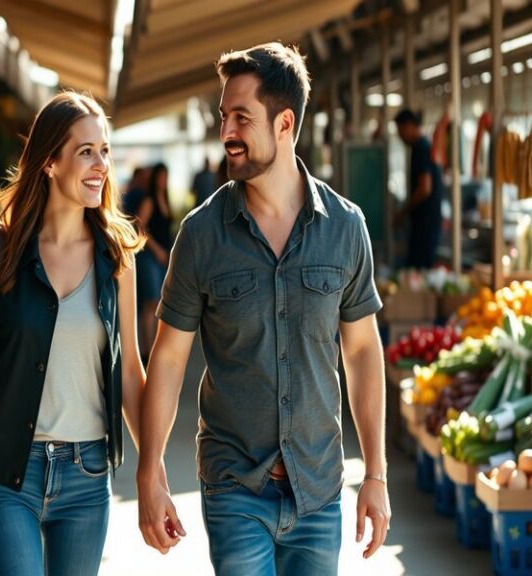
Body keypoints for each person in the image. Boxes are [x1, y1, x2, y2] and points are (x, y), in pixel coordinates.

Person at [137, 42, 390, 576]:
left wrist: (376, 474)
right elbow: (168, 359)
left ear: (284, 123)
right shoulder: (202, 235)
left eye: (241, 117)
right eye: (223, 116)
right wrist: (149, 472)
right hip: (234, 487)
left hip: (319, 488)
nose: (226, 131)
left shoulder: (345, 228)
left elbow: (364, 350)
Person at [0, 92, 145, 576]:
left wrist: (153, 470)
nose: (101, 164)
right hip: (10, 473)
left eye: (105, 150)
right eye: (86, 151)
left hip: (87, 477)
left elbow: (130, 368)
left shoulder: (117, 258)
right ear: (49, 162)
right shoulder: (2, 250)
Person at [394, 108, 444, 269]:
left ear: (409, 126)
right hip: (428, 222)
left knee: (418, 270)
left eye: (400, 130)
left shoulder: (421, 148)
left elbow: (425, 188)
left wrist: (404, 212)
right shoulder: (424, 145)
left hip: (425, 223)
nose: (400, 136)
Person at [134, 162, 172, 361]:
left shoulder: (165, 199)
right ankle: (145, 349)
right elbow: (140, 226)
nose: (163, 180)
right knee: (150, 303)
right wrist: (156, 250)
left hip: (163, 258)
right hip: (149, 257)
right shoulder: (149, 200)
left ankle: (151, 348)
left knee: (157, 303)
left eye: (166, 177)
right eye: (160, 176)